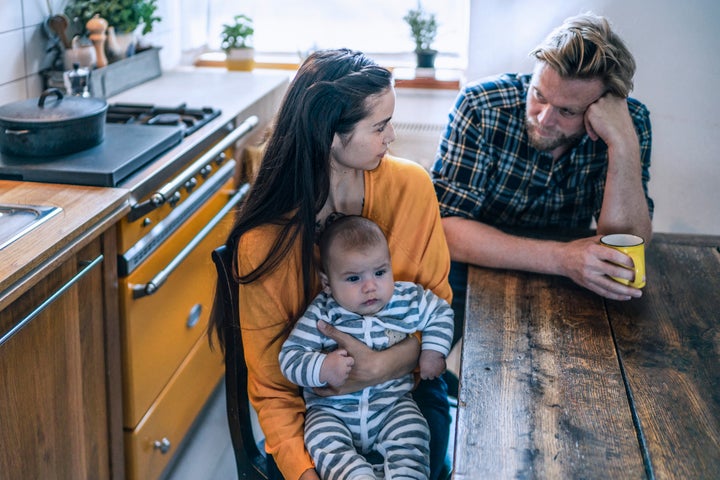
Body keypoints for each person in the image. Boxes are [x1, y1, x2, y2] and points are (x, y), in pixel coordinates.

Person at [209, 49, 453, 480]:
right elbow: (273, 388)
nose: (391, 136)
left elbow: (437, 314)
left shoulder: (413, 188)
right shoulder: (263, 244)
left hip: (405, 396)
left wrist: (379, 367)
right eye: (380, 126)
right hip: (316, 413)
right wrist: (305, 473)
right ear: (330, 135)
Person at [432, 13, 654, 340]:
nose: (544, 119)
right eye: (539, 95)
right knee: (426, 355)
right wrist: (560, 258)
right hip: (476, 262)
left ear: (604, 106)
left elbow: (627, 246)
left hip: (574, 273)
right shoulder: (481, 105)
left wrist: (622, 144)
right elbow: (446, 230)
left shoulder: (629, 123)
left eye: (567, 111)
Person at [280, 215, 454, 480]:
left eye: (380, 272)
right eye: (353, 279)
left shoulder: (405, 298)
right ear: (328, 283)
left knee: (414, 433)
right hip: (332, 413)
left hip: (392, 405)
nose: (370, 286)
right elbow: (289, 358)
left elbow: (440, 312)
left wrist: (433, 350)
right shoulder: (323, 314)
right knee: (321, 440)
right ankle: (356, 475)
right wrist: (322, 367)